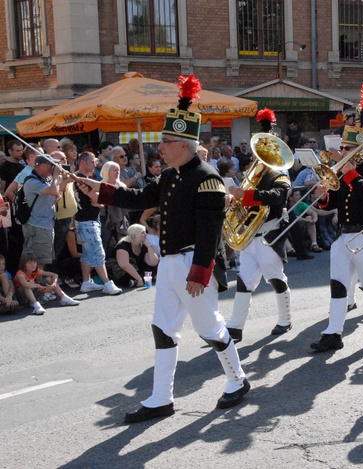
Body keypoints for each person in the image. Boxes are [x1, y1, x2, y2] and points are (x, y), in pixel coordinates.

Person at [74, 74, 249, 423]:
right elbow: (139, 197)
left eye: (166, 142)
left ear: (183, 145)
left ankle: (238, 380)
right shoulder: (171, 175)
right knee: (163, 328)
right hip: (169, 264)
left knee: (210, 329)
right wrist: (101, 189)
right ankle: (160, 398)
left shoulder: (207, 178)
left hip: (191, 265)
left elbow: (210, 231)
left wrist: (200, 272)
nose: (160, 148)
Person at [310, 85, 363, 352]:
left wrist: (349, 173)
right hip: (343, 235)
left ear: (360, 150)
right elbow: (334, 202)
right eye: (343, 147)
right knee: (337, 283)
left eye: (347, 147)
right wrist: (324, 193)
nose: (341, 151)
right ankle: (333, 332)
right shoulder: (343, 170)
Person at [225, 108, 295, 343]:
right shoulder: (252, 174)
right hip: (251, 235)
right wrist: (236, 199)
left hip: (269, 234)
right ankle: (235, 326)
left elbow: (279, 196)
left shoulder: (279, 174)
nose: (257, 158)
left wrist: (246, 195)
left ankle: (285, 319)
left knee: (275, 277)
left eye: (262, 154)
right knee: (244, 281)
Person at [73, 152, 123, 295]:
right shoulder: (81, 180)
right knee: (98, 252)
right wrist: (100, 200)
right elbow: (98, 200)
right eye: (92, 162)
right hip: (87, 221)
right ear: (83, 162)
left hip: (85, 220)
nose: (95, 164)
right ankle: (107, 283)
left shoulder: (82, 178)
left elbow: (99, 201)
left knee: (87, 254)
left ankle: (86, 282)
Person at [21, 154, 70, 269]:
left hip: (45, 224)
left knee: (42, 259)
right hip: (37, 225)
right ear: (42, 165)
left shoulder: (45, 179)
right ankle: (32, 285)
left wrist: (62, 179)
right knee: (35, 260)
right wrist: (56, 175)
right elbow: (53, 190)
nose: (54, 167)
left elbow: (55, 193)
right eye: (51, 164)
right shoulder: (32, 181)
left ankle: (37, 283)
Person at [15, 253, 79, 315]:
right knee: (27, 286)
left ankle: (64, 298)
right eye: (29, 263)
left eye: (34, 262)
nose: (33, 265)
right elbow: (25, 284)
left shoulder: (36, 271)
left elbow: (54, 274)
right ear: (24, 264)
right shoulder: (20, 273)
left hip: (33, 293)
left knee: (49, 279)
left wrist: (53, 284)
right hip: (22, 297)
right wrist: (38, 286)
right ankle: (36, 305)